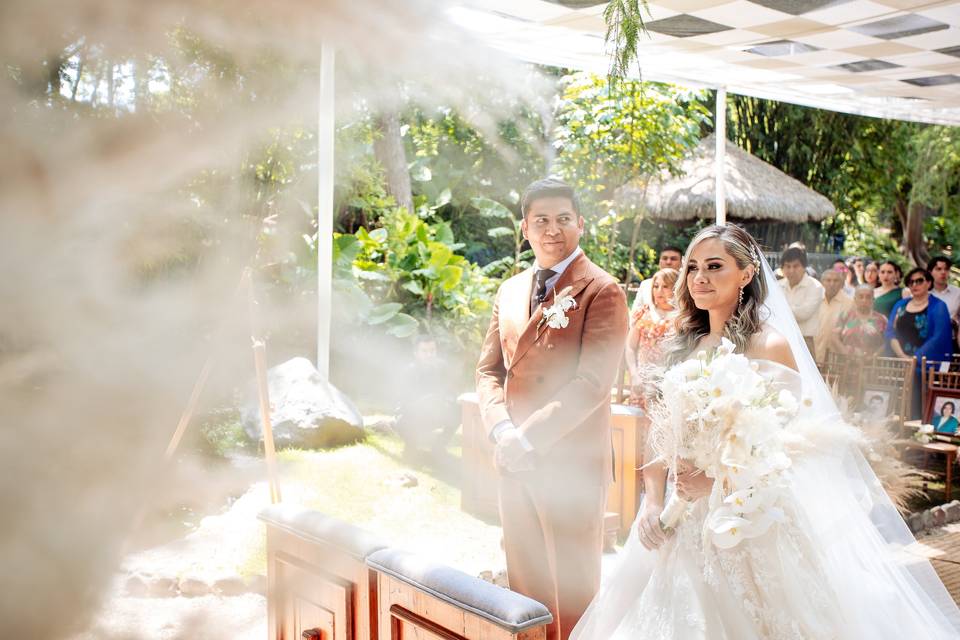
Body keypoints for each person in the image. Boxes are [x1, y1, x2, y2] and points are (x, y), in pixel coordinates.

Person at [570, 224, 960, 640]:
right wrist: (651, 503)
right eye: (693, 268)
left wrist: (716, 480)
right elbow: (661, 434)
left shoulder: (769, 345)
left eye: (715, 266)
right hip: (677, 514)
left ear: (746, 272)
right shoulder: (680, 342)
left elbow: (783, 449)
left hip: (744, 517)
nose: (699, 277)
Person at [475, 178, 628, 640]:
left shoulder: (603, 290)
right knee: (524, 587)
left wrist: (528, 438)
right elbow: (488, 371)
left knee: (572, 589)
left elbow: (593, 384)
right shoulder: (510, 289)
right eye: (541, 220)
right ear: (525, 228)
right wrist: (502, 431)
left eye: (563, 218)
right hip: (513, 460)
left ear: (580, 223)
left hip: (569, 466)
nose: (552, 229)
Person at [886, 267, 952, 418]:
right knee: (896, 400)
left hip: (925, 366)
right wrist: (902, 356)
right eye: (911, 282)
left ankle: (916, 427)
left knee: (917, 391)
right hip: (900, 361)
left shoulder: (938, 306)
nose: (914, 284)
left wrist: (914, 358)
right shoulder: (900, 305)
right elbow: (890, 332)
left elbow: (938, 337)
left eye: (919, 281)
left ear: (929, 283)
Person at [625, 268, 678, 409]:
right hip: (642, 382)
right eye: (656, 286)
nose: (659, 290)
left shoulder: (683, 318)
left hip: (669, 384)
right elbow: (630, 347)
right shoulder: (644, 312)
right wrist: (634, 375)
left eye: (665, 286)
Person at [780, 246, 823, 355]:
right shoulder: (777, 286)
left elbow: (804, 313)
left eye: (796, 266)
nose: (791, 270)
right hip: (781, 340)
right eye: (787, 266)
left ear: (804, 267)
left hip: (804, 342)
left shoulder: (815, 286)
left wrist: (780, 309)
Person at [832, 284, 887, 359]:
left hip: (872, 365)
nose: (864, 300)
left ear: (873, 300)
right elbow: (834, 337)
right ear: (855, 299)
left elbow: (886, 341)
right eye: (860, 297)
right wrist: (844, 352)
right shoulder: (845, 316)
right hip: (846, 363)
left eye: (868, 297)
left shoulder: (880, 319)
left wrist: (875, 355)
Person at [631, 246, 683, 314]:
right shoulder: (646, 285)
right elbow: (635, 311)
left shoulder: (687, 286)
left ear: (681, 263)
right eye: (665, 258)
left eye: (673, 259)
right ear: (659, 262)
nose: (668, 262)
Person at [815, 267, 851, 362]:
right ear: (822, 282)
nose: (832, 284)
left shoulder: (849, 303)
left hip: (837, 358)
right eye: (828, 280)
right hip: (813, 355)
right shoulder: (814, 299)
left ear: (841, 283)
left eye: (836, 281)